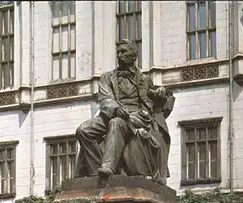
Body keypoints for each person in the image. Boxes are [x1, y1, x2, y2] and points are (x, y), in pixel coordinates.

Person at [74, 39, 175, 184]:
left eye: (123, 52)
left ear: (133, 56)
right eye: (118, 52)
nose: (119, 55)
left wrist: (162, 92)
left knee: (117, 123)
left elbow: (155, 96)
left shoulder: (144, 79)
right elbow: (105, 98)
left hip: (136, 115)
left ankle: (108, 166)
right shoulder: (107, 77)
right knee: (83, 130)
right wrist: (115, 108)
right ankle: (96, 169)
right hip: (111, 112)